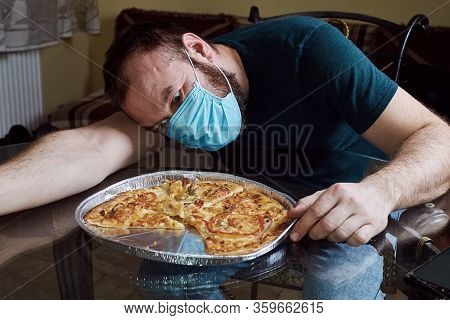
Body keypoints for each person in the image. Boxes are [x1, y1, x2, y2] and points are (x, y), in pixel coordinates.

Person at [0, 17, 449, 250]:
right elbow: (93, 148)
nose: (178, 124)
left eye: (177, 98)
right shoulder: (161, 102)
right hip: (230, 219)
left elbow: (439, 140)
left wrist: (380, 192)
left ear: (198, 49)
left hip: (343, 215)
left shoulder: (309, 49)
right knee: (161, 283)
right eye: (160, 124)